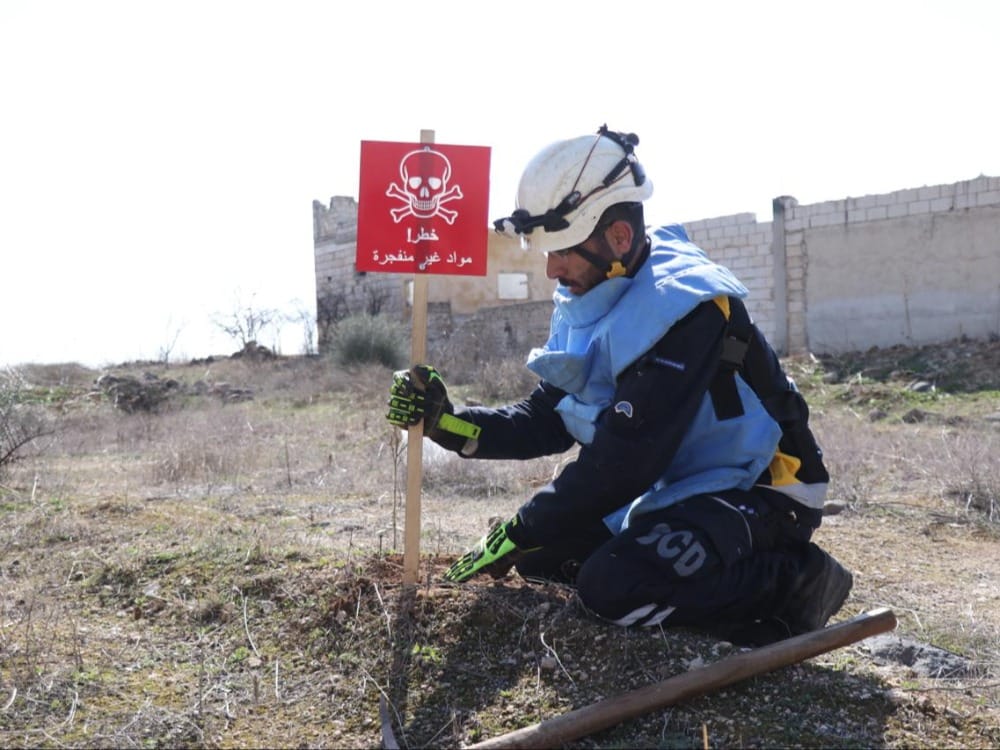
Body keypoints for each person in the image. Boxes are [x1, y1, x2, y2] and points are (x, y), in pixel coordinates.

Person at [386, 124, 852, 646]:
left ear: (619, 237)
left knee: (611, 587)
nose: (550, 268)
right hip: (688, 484)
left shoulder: (689, 309)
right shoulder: (592, 292)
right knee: (545, 555)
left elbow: (624, 464)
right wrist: (445, 422)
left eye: (561, 249)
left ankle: (797, 582)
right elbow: (546, 417)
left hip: (765, 491)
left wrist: (520, 524)